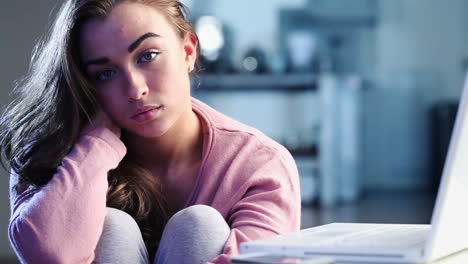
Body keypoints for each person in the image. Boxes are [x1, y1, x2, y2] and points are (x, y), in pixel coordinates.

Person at [0, 0, 301, 263]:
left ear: (188, 51)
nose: (135, 89)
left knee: (199, 225)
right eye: (105, 73)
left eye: (148, 56)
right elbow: (50, 256)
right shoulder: (49, 153)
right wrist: (95, 147)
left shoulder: (259, 164)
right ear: (86, 85)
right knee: (111, 228)